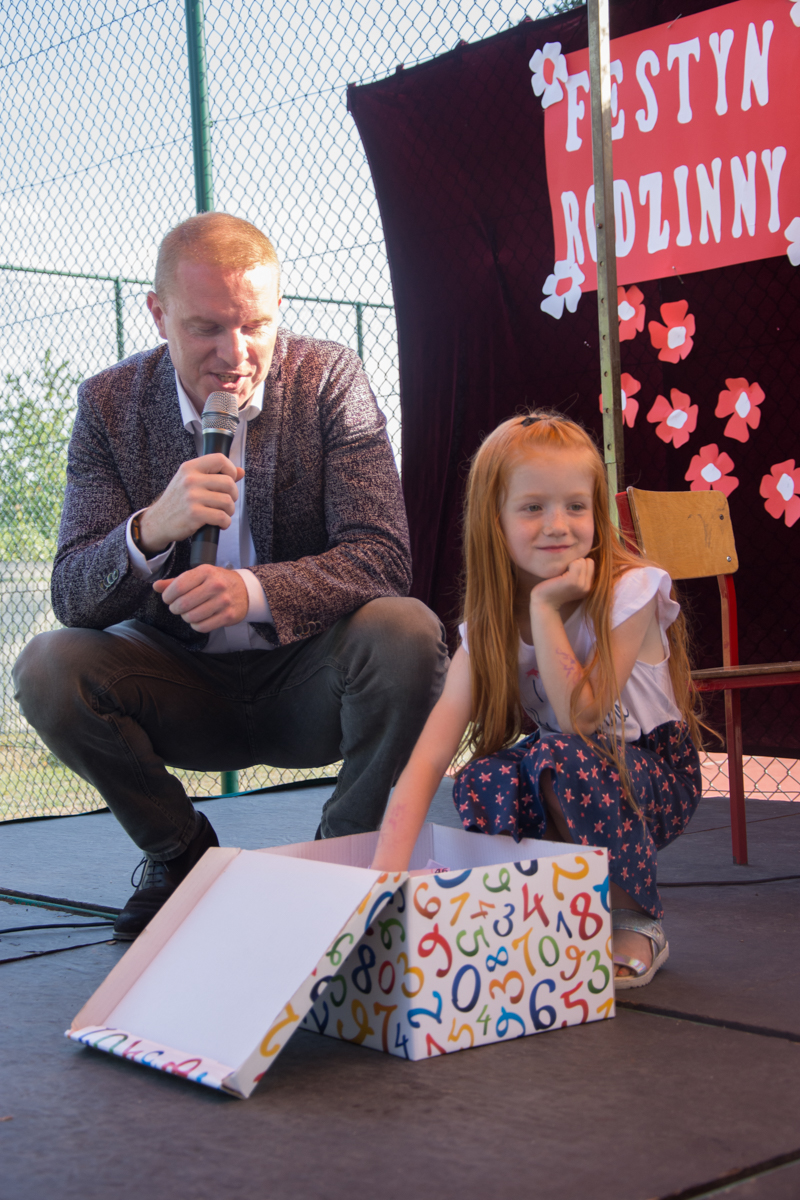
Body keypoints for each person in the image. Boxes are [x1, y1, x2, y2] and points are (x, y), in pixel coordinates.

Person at [13, 212, 447, 939]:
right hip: (181, 688)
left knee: (408, 629)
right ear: (159, 315)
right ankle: (180, 855)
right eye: (206, 328)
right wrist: (151, 528)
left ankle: (343, 859)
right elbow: (72, 595)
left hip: (309, 681)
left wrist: (252, 592)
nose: (236, 354)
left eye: (255, 325)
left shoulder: (328, 378)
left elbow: (382, 554)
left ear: (279, 310)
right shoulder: (109, 403)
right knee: (46, 667)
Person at [372, 410, 702, 989]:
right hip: (575, 766)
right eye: (532, 508)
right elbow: (429, 757)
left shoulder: (631, 590)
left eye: (576, 506)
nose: (558, 525)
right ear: (493, 520)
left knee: (559, 754)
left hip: (656, 774)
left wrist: (546, 608)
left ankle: (634, 918)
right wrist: (380, 884)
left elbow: (580, 716)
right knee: (484, 776)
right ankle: (543, 905)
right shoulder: (489, 626)